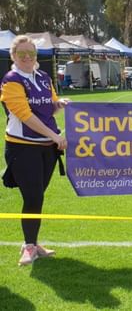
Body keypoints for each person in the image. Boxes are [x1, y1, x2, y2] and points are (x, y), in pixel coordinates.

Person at [0, 35, 69, 266]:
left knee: (37, 198)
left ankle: (33, 241)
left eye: (31, 53)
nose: (27, 57)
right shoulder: (11, 80)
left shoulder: (43, 76)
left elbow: (50, 108)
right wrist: (55, 136)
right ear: (14, 56)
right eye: (22, 54)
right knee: (32, 197)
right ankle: (29, 246)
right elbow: (25, 115)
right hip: (23, 148)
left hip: (47, 149)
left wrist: (60, 104)